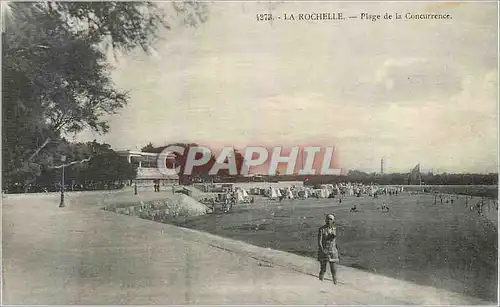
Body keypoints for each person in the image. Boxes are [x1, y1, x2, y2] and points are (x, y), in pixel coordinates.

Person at [317, 214, 339, 284]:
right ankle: (320, 283)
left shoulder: (334, 229)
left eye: (330, 219)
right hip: (324, 250)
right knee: (323, 269)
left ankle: (335, 284)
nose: (329, 221)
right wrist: (322, 250)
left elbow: (334, 241)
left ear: (333, 221)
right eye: (328, 219)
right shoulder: (322, 229)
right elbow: (319, 241)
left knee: (334, 270)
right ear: (325, 220)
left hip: (333, 251)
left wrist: (336, 250)